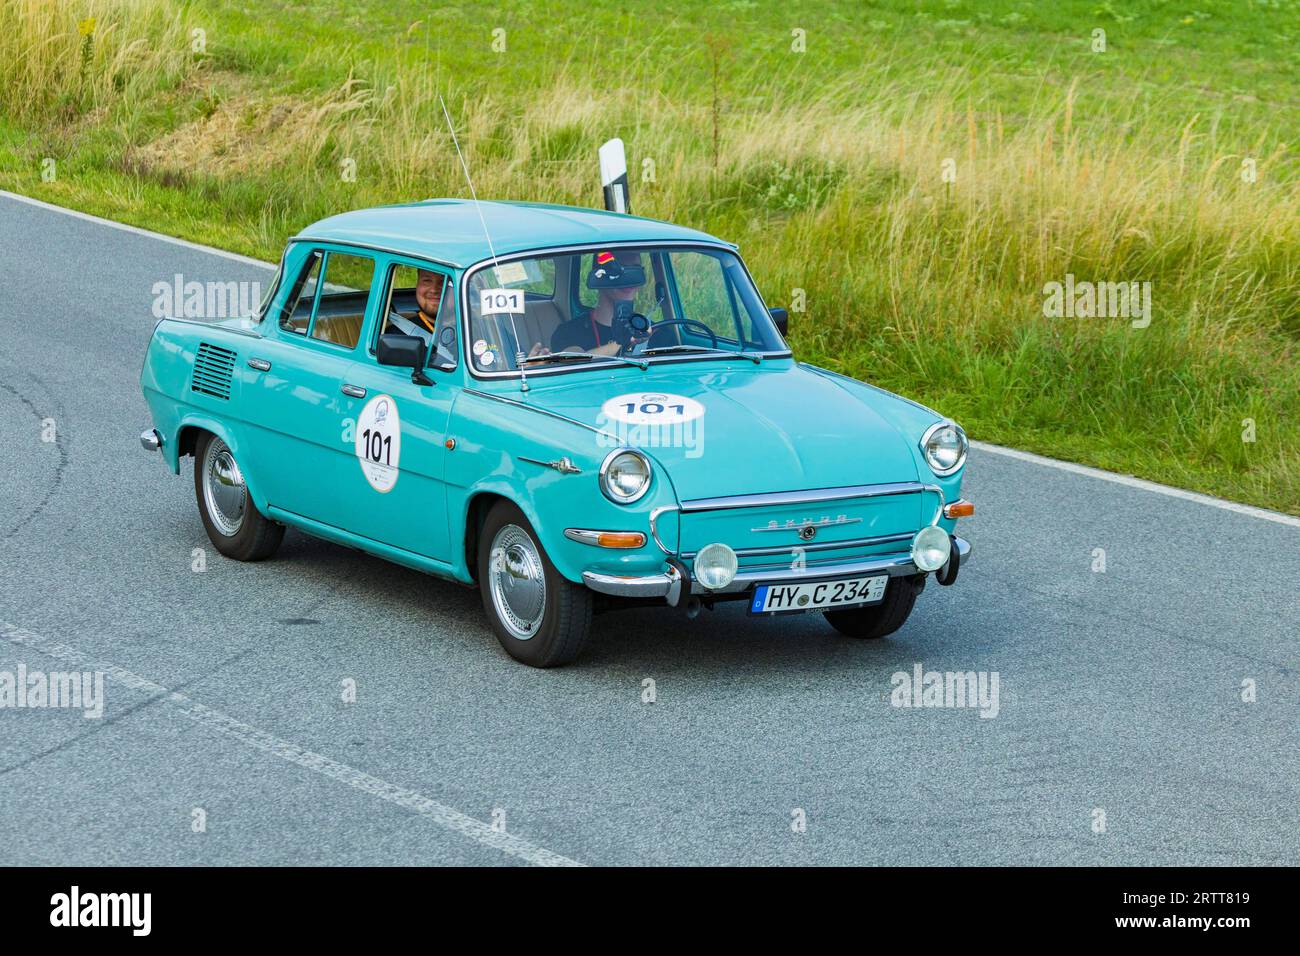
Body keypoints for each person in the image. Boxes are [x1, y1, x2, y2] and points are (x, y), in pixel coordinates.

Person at [544, 250, 647, 357]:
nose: (629, 279)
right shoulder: (568, 332)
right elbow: (573, 362)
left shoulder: (655, 331)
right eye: (616, 270)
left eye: (636, 271)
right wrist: (622, 341)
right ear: (597, 276)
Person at [385, 269, 443, 344]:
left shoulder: (463, 329)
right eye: (427, 280)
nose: (434, 290)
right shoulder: (394, 337)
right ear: (417, 284)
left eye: (444, 281)